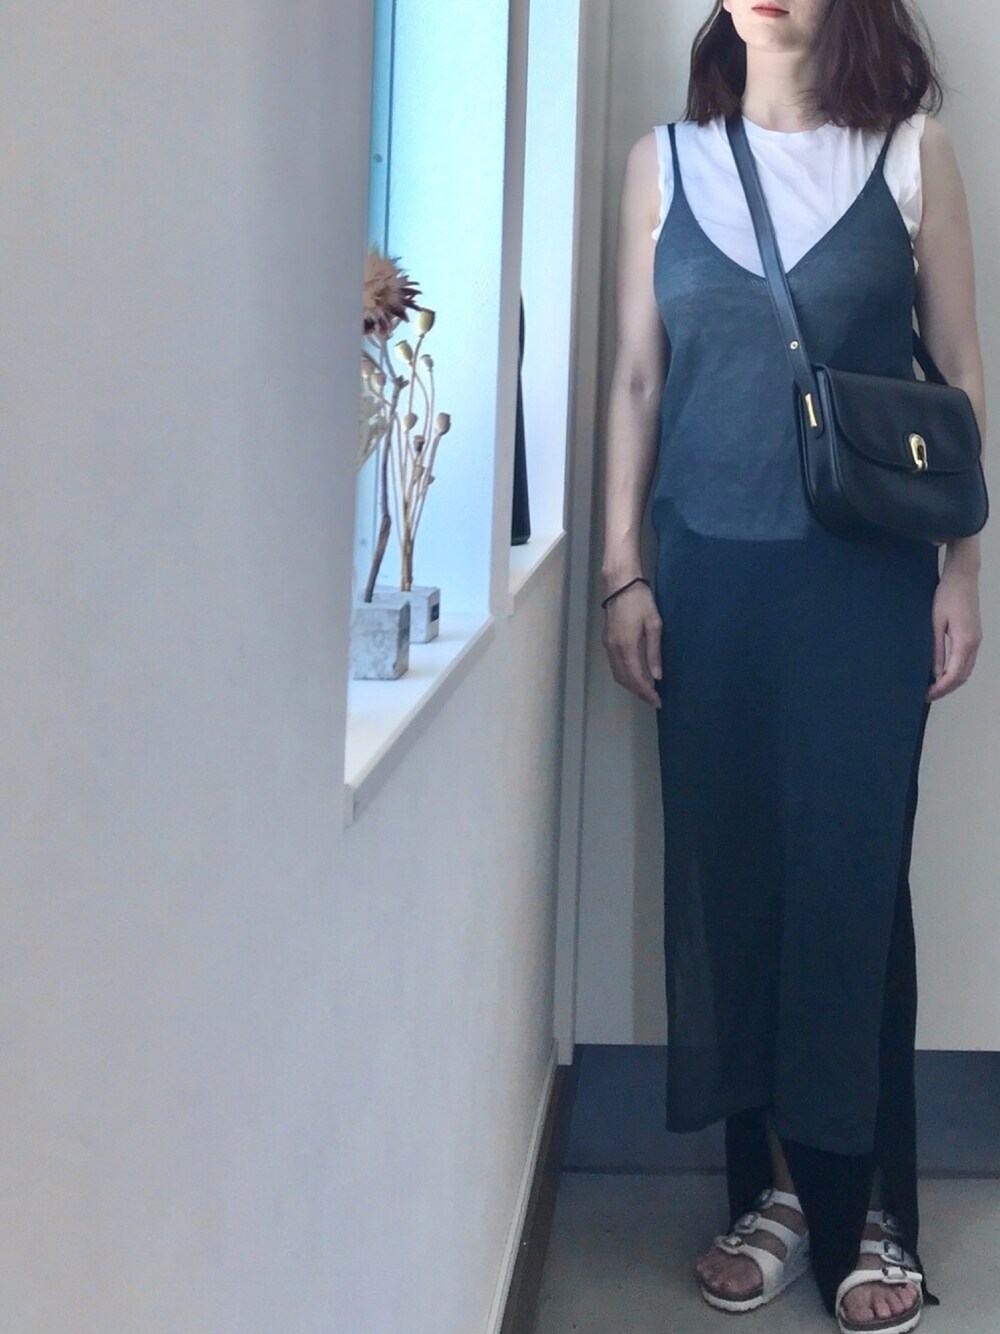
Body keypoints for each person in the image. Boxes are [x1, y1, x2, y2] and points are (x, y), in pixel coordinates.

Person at [599, 1, 986, 1330]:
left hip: (865, 589)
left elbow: (959, 381)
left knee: (851, 885)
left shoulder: (914, 154)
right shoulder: (662, 163)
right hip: (706, 582)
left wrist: (962, 570)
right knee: (735, 882)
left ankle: (868, 1205)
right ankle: (771, 1192)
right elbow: (636, 380)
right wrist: (621, 571)